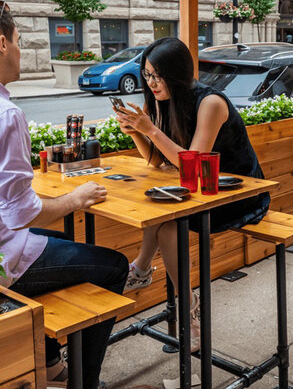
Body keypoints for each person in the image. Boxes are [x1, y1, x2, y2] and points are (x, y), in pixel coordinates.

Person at [0, 1, 128, 389]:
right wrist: (76, 199)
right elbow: (21, 216)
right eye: (20, 40)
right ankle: (84, 381)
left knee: (64, 243)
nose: (22, 50)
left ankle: (49, 363)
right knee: (114, 265)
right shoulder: (2, 113)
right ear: (2, 43)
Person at [114, 37, 269, 352]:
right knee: (166, 217)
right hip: (200, 192)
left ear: (177, 73)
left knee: (170, 220)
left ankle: (143, 271)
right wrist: (136, 132)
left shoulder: (210, 102)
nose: (152, 83)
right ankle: (186, 309)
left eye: (158, 76)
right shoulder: (162, 101)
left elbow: (193, 166)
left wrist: (151, 130)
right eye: (147, 76)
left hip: (236, 193)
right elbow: (157, 160)